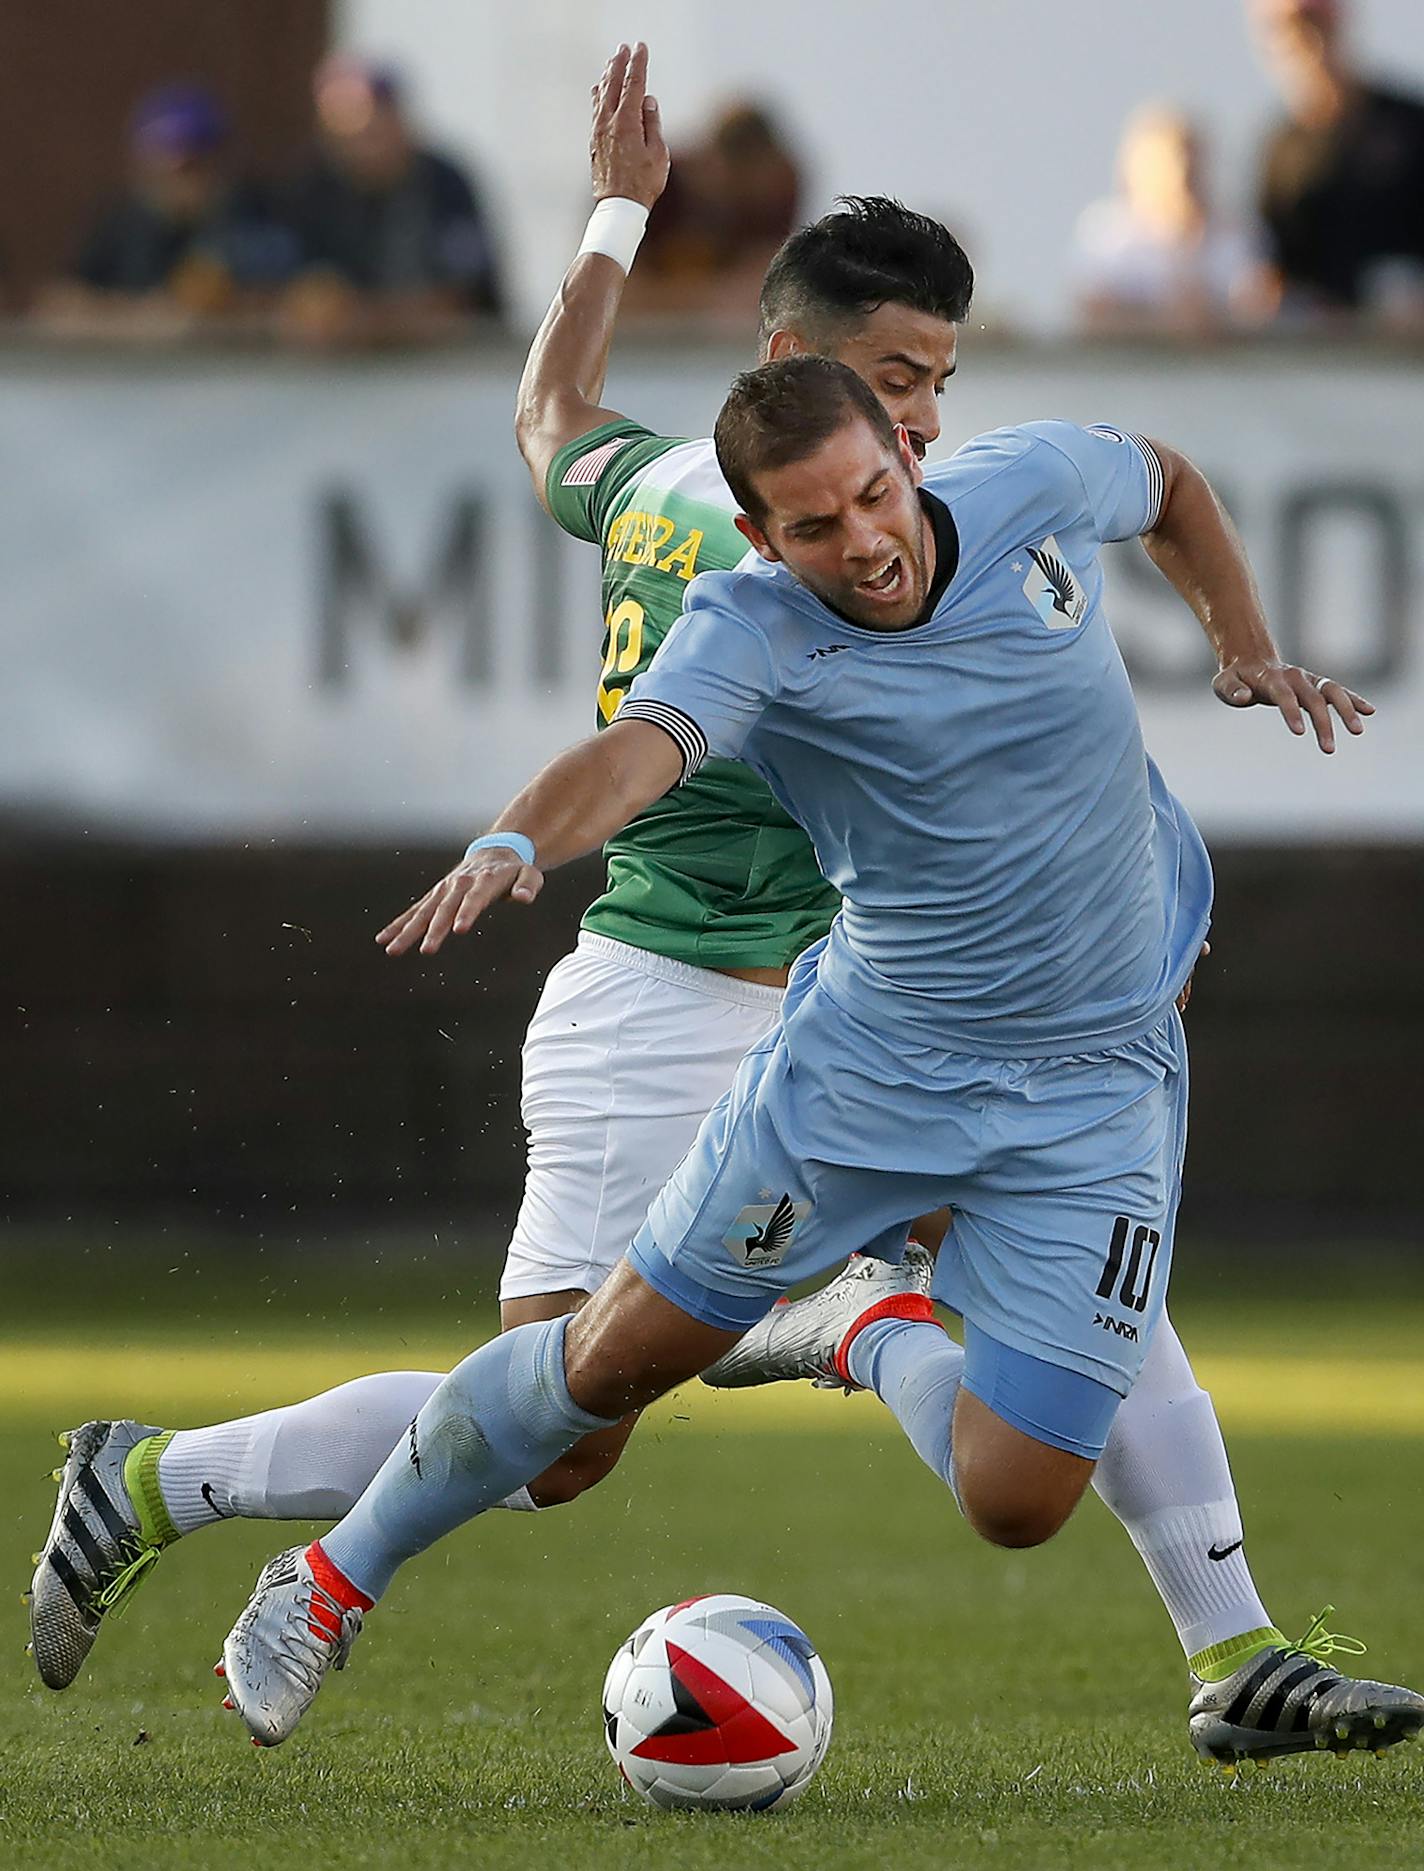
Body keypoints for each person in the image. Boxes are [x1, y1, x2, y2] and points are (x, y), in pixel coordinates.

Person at [29, 46, 1411, 1775]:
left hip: (896, 993)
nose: (916, 424)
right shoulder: (749, 566)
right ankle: (170, 1479)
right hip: (683, 994)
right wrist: (518, 839)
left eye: (932, 388)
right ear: (785, 384)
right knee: (566, 1427)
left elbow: (547, 423)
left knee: (1074, 1316)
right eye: (890, 378)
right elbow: (640, 750)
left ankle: (1231, 1642)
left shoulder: (873, 493)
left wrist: (614, 212)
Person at [36, 84, 299, 335]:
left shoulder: (256, 216)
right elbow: (60, 304)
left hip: (240, 373)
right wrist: (140, 317)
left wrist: (224, 314)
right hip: (133, 371)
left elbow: (301, 306)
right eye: (167, 165)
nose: (182, 181)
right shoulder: (121, 223)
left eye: (194, 165)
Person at [279, 56, 503, 346]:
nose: (368, 143)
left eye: (377, 125)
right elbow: (289, 299)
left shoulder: (444, 185)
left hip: (444, 369)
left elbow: (465, 298)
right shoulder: (310, 192)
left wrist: (369, 320)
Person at [1250, 0, 1424, 324]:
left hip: (1408, 343)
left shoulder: (1409, 123)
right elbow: (1274, 262)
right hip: (1330, 352)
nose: (1307, 43)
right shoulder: (1281, 147)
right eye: (1289, 32)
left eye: (1317, 26)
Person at [1073, 104, 1257, 336]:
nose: (1183, 173)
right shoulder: (1108, 237)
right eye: (1172, 159)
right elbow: (1092, 316)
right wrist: (1168, 322)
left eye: (1191, 159)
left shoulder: (1236, 236)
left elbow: (1256, 312)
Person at [620, 98, 801, 323]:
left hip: (722, 337)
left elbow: (766, 289)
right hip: (641, 335)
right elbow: (619, 291)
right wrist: (706, 298)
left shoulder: (774, 193)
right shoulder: (653, 185)